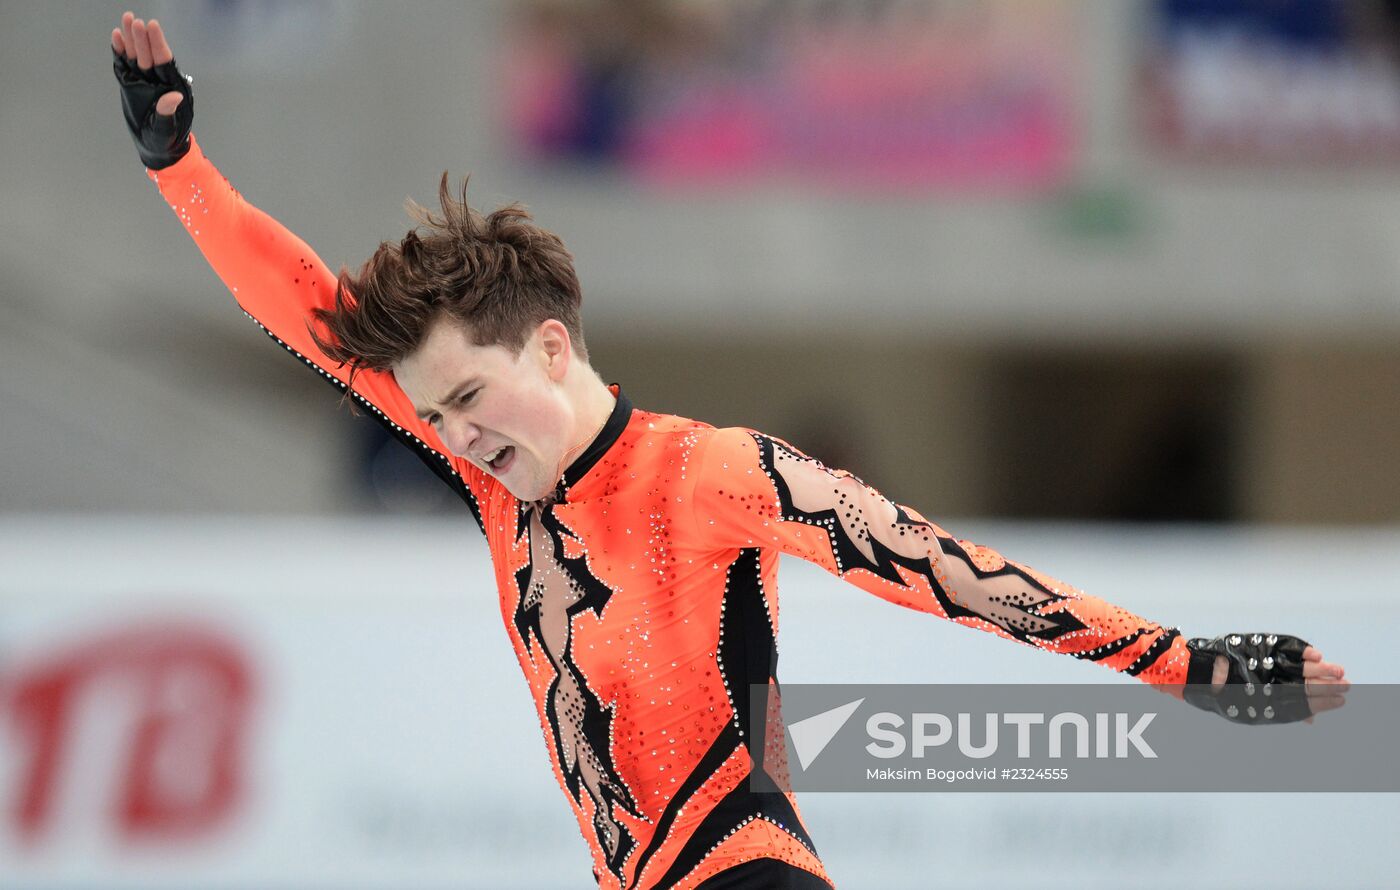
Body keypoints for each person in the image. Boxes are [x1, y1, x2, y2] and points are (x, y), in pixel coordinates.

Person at [110, 12, 1348, 889]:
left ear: (550, 347)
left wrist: (1186, 661)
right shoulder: (501, 497)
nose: (460, 436)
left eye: (471, 397)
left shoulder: (704, 474)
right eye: (435, 418)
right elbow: (310, 312)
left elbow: (947, 571)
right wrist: (179, 169)